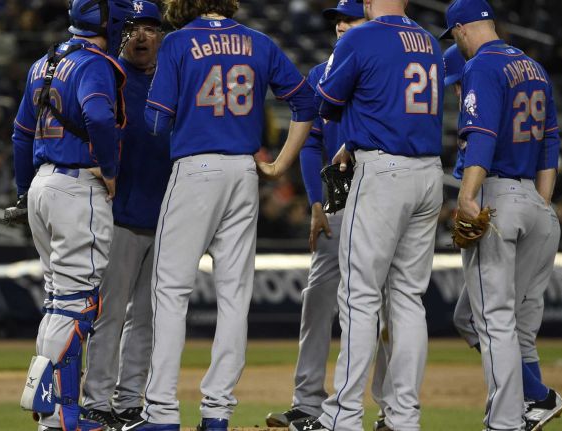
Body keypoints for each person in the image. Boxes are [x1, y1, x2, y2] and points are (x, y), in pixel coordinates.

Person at [121, 0, 316, 430]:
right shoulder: (259, 42)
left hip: (196, 168)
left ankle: (161, 412)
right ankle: (217, 412)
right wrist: (280, 164)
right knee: (233, 296)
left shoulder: (177, 43)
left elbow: (156, 120)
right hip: (244, 172)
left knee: (170, 291)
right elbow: (305, 102)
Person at [290, 0, 445, 430]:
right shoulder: (429, 42)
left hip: (383, 173)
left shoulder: (362, 37)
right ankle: (402, 417)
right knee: (409, 302)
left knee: (359, 298)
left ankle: (342, 416)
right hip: (429, 172)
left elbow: (326, 102)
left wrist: (354, 131)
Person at [439, 0, 562, 430]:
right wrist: (541, 202)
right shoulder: (533, 66)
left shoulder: (481, 66)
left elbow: (482, 134)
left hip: (498, 194)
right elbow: (550, 139)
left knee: (492, 321)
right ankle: (537, 397)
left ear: (459, 30)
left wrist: (469, 196)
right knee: (495, 322)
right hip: (535, 203)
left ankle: (505, 422)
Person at [12, 1, 133, 430]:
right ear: (110, 23)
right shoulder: (93, 63)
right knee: (77, 304)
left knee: (57, 302)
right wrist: (111, 169)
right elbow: (99, 115)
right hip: (76, 184)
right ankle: (64, 415)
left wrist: (24, 191)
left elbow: (21, 133)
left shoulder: (44, 63)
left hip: (43, 184)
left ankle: (50, 414)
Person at [265, 0, 369, 428]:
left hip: (380, 195)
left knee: (374, 308)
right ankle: (308, 403)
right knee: (318, 300)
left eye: (350, 18)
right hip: (337, 202)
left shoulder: (380, 68)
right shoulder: (320, 75)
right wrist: (315, 203)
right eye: (337, 20)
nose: (342, 25)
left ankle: (388, 410)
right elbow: (310, 143)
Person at [81, 2, 170, 429]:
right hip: (115, 216)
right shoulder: (106, 75)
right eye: (133, 28)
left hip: (167, 218)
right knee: (110, 313)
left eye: (150, 28)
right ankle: (96, 399)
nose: (141, 36)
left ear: (161, 36)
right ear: (120, 33)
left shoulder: (173, 80)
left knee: (149, 318)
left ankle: (129, 401)